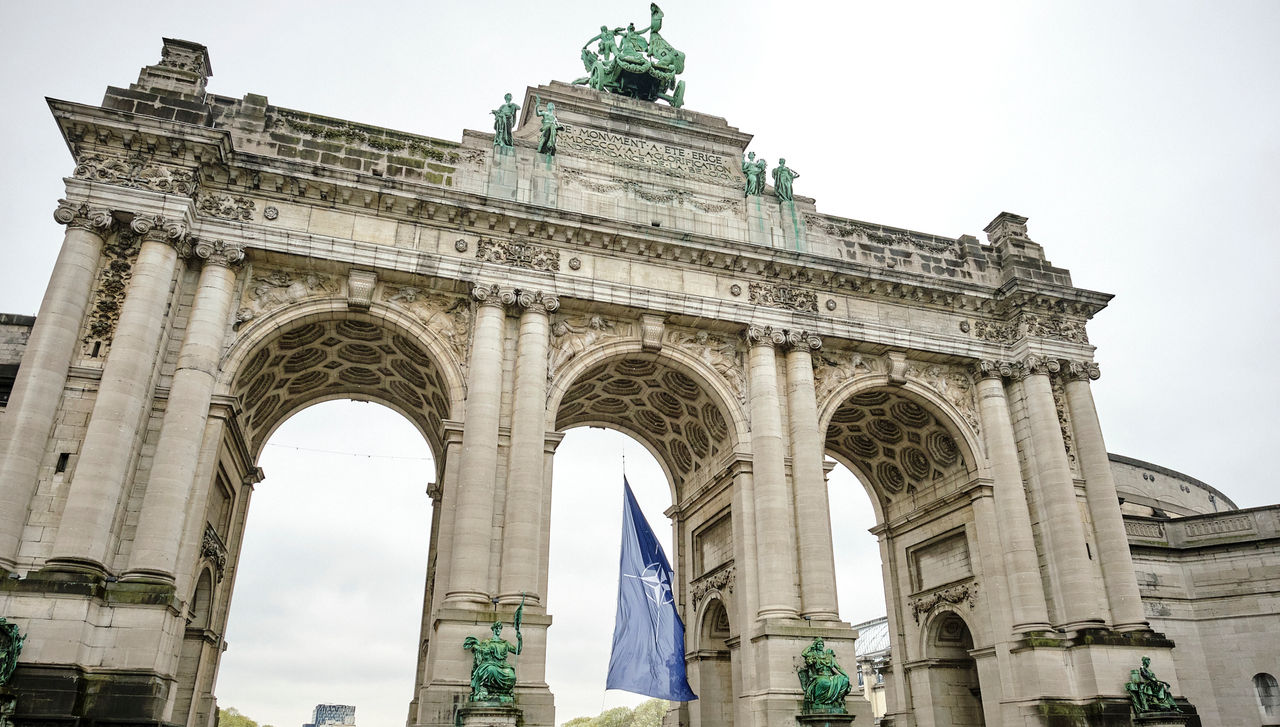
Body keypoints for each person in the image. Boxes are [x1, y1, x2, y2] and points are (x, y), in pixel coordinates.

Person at [463, 621, 522, 702]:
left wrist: (520, 639)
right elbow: (481, 652)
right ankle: (483, 689)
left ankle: (504, 691)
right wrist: (477, 648)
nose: (499, 630)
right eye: (497, 628)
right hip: (490, 664)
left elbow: (517, 651)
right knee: (490, 669)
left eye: (500, 629)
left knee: (512, 677)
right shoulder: (487, 642)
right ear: (493, 629)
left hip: (503, 665)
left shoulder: (505, 643)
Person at [797, 637, 852, 711]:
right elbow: (804, 653)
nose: (820, 645)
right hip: (820, 675)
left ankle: (838, 699)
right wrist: (811, 647)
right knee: (823, 682)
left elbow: (838, 667)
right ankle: (819, 701)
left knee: (844, 680)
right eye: (818, 644)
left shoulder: (829, 656)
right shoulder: (814, 655)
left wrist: (846, 675)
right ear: (816, 645)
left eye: (822, 644)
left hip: (830, 675)